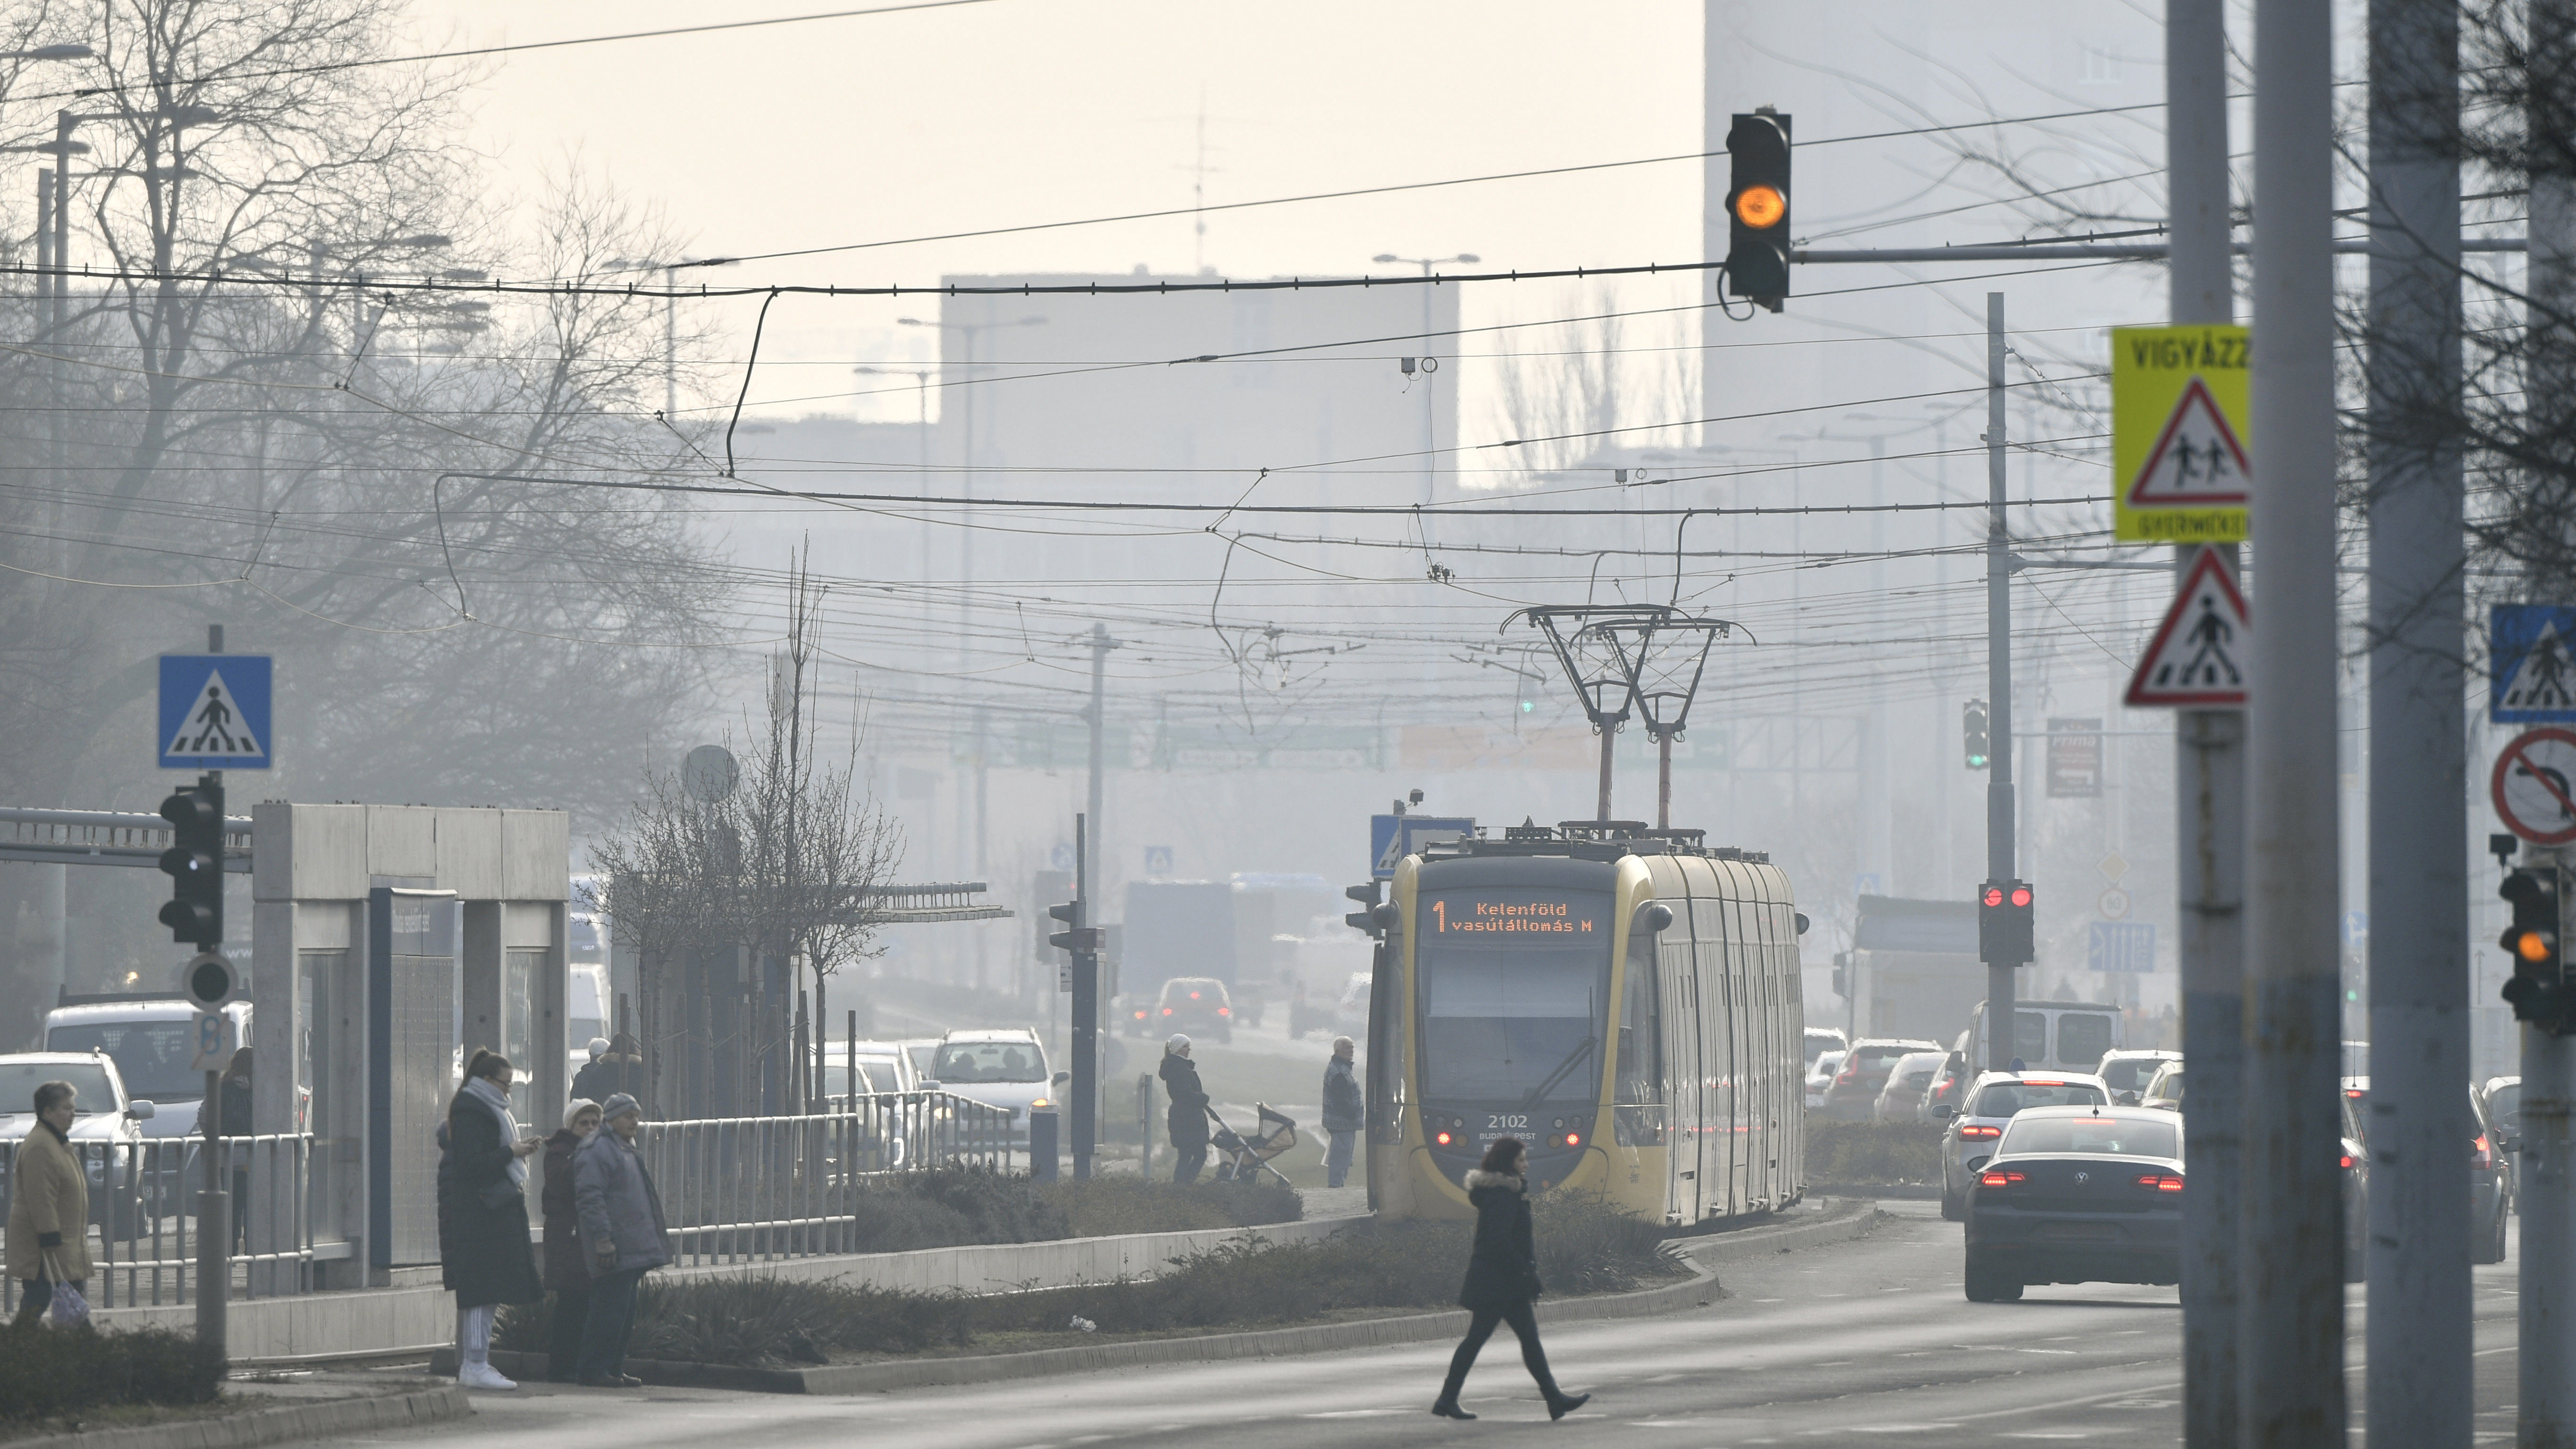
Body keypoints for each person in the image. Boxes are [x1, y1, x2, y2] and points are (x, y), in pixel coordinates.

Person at [1430, 1137, 1589, 1422]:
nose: (1526, 1165)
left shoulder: (1503, 1195)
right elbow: (1498, 1242)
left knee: (1518, 1340)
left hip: (1501, 1282)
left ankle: (1553, 1399)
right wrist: (1526, 1273)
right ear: (1507, 1163)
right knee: (1489, 1340)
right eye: (1521, 1160)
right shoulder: (1502, 1198)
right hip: (1499, 1284)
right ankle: (1449, 1398)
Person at [439, 1049, 544, 1391]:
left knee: (487, 1291)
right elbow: (471, 1165)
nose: (509, 1091)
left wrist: (514, 1150)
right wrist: (510, 1152)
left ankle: (478, 1362)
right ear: (487, 1081)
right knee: (481, 1293)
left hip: (489, 1213)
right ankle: (474, 1363)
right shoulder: (473, 1111)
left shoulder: (484, 1109)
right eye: (506, 1083)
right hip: (480, 1214)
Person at [574, 1093, 670, 1388]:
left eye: (637, 1116)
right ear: (612, 1119)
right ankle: (593, 1370)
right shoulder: (598, 1150)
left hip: (629, 1247)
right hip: (615, 1248)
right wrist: (603, 1240)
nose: (635, 1122)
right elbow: (591, 1197)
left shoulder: (622, 1147)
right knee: (608, 1312)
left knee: (623, 1314)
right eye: (629, 1116)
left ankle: (613, 1369)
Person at [9, 1080, 87, 1328]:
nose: (72, 1114)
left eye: (73, 1108)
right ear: (48, 1112)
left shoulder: (54, 1141)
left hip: (60, 1244)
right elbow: (40, 1197)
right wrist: (49, 1235)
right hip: (47, 1246)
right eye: (66, 1108)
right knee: (40, 1298)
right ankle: (15, 1351)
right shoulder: (42, 1146)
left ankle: (89, 1352)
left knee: (67, 1299)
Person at [540, 1099, 604, 1382]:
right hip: (568, 1239)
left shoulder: (600, 1151)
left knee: (590, 1304)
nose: (590, 1129)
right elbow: (561, 1184)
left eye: (595, 1123)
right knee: (571, 1304)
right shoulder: (559, 1152)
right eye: (584, 1123)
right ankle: (562, 1366)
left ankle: (583, 1363)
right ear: (572, 1126)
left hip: (588, 1238)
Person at [194, 1047, 254, 1252]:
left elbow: (203, 1115)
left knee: (233, 1207)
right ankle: (254, 1249)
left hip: (226, 1158)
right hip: (253, 1157)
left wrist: (216, 1139)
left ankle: (230, 1250)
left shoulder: (221, 1087)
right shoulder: (260, 1089)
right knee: (254, 1206)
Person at [1159, 1035, 1210, 1184]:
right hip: (1188, 1118)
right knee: (1199, 1155)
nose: (1189, 1049)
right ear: (1177, 1049)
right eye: (1185, 1046)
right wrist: (1203, 1098)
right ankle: (1184, 1185)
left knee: (1186, 1155)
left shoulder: (1178, 1067)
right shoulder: (1179, 1069)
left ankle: (1181, 1186)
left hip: (1183, 1117)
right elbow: (1185, 1093)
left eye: (1189, 1046)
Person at [1321, 1035, 1363, 1189]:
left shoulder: (1343, 1068)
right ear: (1337, 1051)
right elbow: (1340, 1099)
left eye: (1352, 1047)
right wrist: (1352, 1114)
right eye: (1347, 1047)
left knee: (1345, 1157)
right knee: (1340, 1157)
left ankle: (1339, 1184)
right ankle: (1335, 1187)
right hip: (1342, 1123)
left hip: (1346, 1123)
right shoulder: (1338, 1071)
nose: (1351, 1050)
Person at [570, 1034, 642, 1110]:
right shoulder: (640, 1073)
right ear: (634, 1050)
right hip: (633, 1116)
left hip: (605, 1117)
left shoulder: (598, 1072)